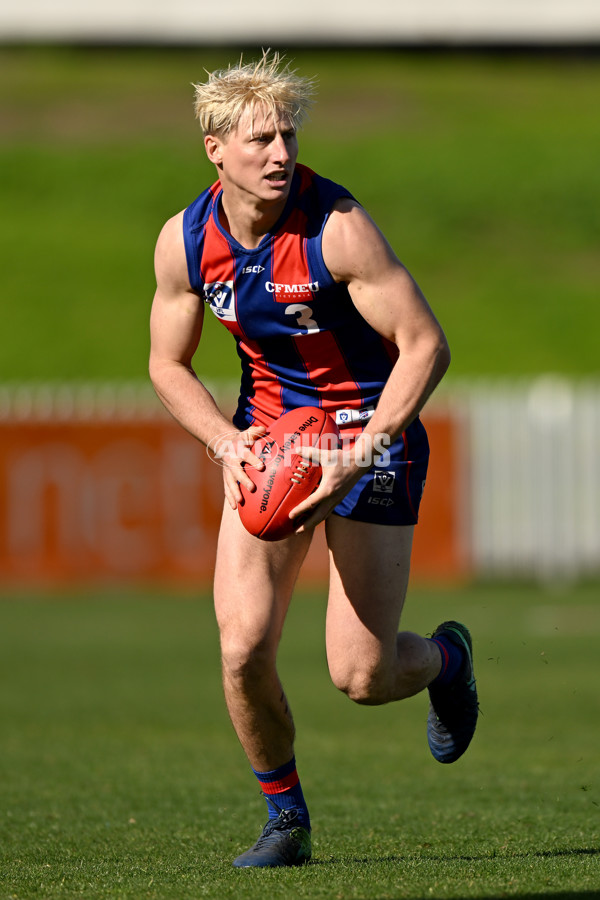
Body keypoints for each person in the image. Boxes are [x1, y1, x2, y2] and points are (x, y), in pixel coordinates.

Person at [149, 51, 478, 869]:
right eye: (260, 138)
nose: (280, 153)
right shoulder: (186, 243)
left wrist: (360, 452)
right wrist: (226, 443)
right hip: (272, 443)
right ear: (214, 148)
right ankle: (284, 818)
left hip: (371, 438)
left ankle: (446, 659)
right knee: (240, 647)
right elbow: (166, 363)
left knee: (362, 676)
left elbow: (425, 345)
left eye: (288, 135)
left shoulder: (336, 229)